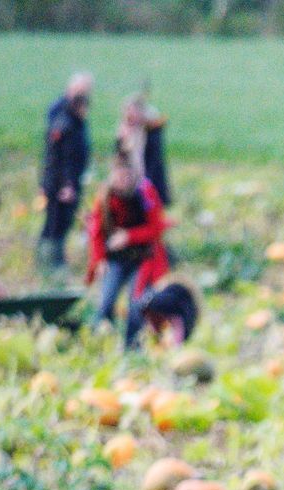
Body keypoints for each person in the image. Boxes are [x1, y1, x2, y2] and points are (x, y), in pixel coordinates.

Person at [85, 153, 169, 348]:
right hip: (115, 259)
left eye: (126, 177)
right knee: (106, 302)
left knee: (136, 305)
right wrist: (99, 260)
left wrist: (128, 236)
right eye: (118, 177)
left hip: (142, 259)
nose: (122, 182)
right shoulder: (105, 197)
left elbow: (156, 227)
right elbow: (96, 231)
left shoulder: (145, 193)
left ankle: (132, 348)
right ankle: (103, 343)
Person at [37, 72, 93, 272]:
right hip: (59, 185)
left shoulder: (73, 122)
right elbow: (64, 159)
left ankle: (53, 261)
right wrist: (67, 185)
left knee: (62, 222)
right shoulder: (65, 123)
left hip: (65, 182)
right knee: (55, 223)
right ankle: (49, 263)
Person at [116, 93, 172, 206]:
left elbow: (153, 160)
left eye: (133, 112)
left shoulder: (151, 131)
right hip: (127, 183)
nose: (130, 116)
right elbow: (118, 158)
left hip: (148, 184)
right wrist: (122, 141)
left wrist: (145, 186)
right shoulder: (123, 130)